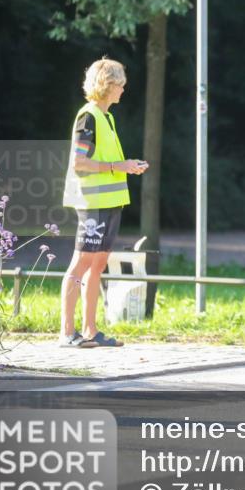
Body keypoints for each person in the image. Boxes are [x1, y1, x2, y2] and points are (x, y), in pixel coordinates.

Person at [59, 58, 148, 348]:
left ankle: (90, 332)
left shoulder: (106, 117)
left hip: (109, 203)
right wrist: (119, 165)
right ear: (107, 85)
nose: (123, 89)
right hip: (92, 203)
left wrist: (126, 166)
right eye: (120, 84)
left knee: (97, 266)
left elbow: (108, 162)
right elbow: (80, 163)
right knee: (81, 264)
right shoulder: (88, 117)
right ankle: (66, 333)